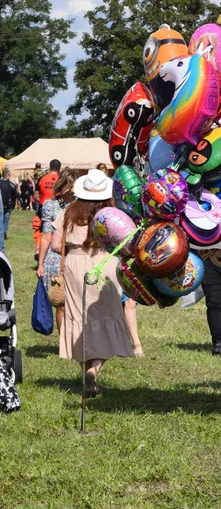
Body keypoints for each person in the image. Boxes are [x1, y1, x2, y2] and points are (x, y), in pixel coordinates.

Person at [52, 170, 133, 397]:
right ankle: (94, 371)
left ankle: (85, 371)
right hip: (105, 263)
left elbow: (56, 246)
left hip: (75, 266)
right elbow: (127, 242)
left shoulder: (69, 211)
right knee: (108, 317)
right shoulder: (113, 214)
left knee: (79, 319)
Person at [38, 169, 77, 336]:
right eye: (73, 184)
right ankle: (64, 342)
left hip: (76, 254)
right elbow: (46, 236)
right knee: (61, 302)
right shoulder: (50, 205)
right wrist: (40, 264)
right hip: (56, 258)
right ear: (65, 185)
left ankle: (76, 338)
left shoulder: (80, 204)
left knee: (75, 301)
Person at [0, 169, 16, 246]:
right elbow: (15, 195)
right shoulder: (11, 184)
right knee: (6, 220)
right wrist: (13, 204)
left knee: (1, 219)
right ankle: (4, 232)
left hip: (1, 205)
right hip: (8, 205)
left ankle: (2, 233)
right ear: (8, 175)